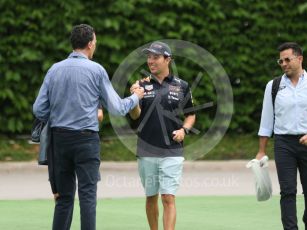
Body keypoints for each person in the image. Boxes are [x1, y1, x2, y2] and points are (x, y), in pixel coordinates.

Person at [33, 24, 144, 230]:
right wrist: (135, 97)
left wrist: (60, 114)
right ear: (90, 44)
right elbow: (117, 108)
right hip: (86, 140)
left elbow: (39, 109)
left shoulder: (54, 69)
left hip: (59, 140)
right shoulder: (96, 70)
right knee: (87, 197)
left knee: (64, 199)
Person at [256, 42, 307, 230]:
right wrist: (261, 151)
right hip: (284, 144)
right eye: (280, 60)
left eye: (287, 59)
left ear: (300, 59)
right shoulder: (273, 86)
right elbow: (266, 121)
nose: (283, 63)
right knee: (288, 192)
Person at [129, 41, 196, 230]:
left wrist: (184, 130)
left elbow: (191, 114)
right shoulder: (140, 85)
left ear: (168, 59)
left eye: (155, 57)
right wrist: (135, 99)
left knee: (168, 197)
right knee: (151, 197)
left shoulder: (181, 85)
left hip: (172, 151)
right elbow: (135, 116)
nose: (150, 61)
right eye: (148, 57)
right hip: (146, 149)